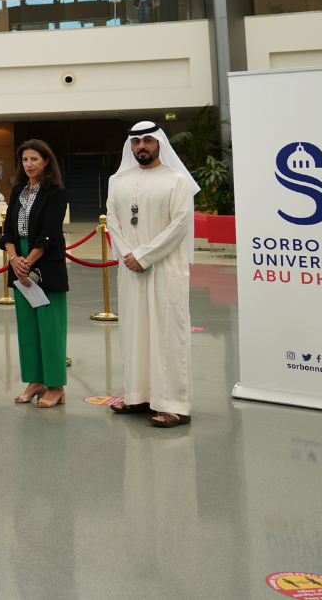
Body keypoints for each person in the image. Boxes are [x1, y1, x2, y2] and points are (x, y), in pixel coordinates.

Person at [106, 121, 199, 428]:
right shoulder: (118, 180)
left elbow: (180, 223)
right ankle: (138, 396)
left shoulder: (176, 180)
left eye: (147, 140)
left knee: (167, 334)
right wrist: (128, 256)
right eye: (136, 142)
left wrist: (144, 256)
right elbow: (114, 223)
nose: (141, 146)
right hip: (130, 270)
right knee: (133, 332)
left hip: (165, 269)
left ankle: (174, 406)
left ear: (159, 143)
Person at [3, 139, 69, 408]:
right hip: (19, 262)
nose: (28, 164)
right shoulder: (18, 189)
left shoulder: (56, 192)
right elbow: (7, 229)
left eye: (34, 159)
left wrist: (27, 262)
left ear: (46, 162)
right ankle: (35, 380)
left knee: (50, 328)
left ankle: (55, 385)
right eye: (25, 160)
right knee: (28, 328)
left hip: (45, 264)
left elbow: (49, 234)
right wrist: (13, 259)